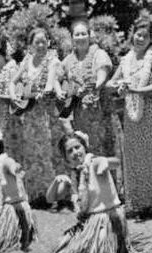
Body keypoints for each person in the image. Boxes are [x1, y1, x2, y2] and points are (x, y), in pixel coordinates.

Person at [24, 131, 152, 253]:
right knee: (62, 244)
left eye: (77, 147)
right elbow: (50, 198)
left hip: (107, 221)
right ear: (66, 158)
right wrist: (56, 181)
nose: (75, 152)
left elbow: (115, 162)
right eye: (70, 151)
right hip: (88, 223)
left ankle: (106, 246)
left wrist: (106, 162)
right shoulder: (75, 175)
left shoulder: (94, 162)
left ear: (85, 147)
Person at [107, 16, 152, 219]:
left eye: (145, 36)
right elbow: (111, 83)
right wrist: (118, 87)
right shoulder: (126, 59)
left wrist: (135, 89)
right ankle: (141, 203)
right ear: (132, 35)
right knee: (137, 156)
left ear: (151, 38)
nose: (141, 39)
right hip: (133, 115)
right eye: (138, 34)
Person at [9, 28, 61, 207]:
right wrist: (14, 96)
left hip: (45, 114)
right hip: (29, 115)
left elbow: (48, 87)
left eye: (43, 41)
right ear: (31, 44)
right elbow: (12, 82)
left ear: (48, 41)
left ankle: (49, 195)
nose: (40, 45)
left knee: (46, 153)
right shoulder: (27, 60)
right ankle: (34, 194)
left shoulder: (52, 61)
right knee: (30, 153)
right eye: (36, 42)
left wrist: (41, 93)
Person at [58, 20, 118, 158]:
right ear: (72, 38)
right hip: (79, 117)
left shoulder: (99, 54)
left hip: (101, 113)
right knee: (85, 152)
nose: (80, 37)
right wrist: (60, 92)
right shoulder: (67, 61)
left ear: (89, 35)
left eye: (83, 34)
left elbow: (102, 77)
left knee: (105, 154)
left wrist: (90, 88)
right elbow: (56, 78)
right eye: (77, 34)